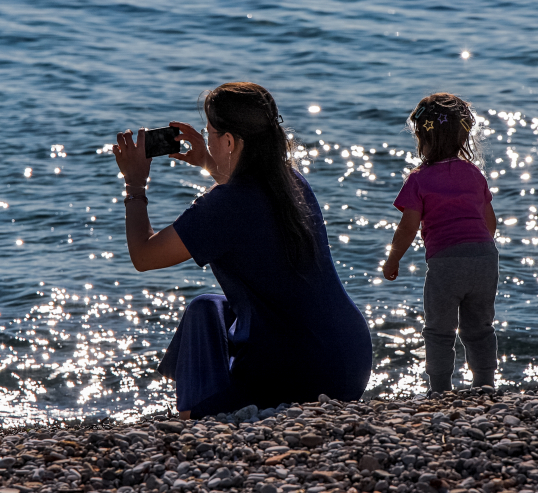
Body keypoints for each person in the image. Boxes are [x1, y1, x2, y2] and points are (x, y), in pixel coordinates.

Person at [112, 82, 372, 419]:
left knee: (202, 315)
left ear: (231, 141)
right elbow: (246, 203)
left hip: (305, 377)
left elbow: (144, 257)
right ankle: (203, 405)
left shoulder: (222, 207)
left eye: (210, 134)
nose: (207, 140)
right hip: (349, 362)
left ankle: (195, 415)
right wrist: (208, 160)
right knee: (208, 307)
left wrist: (134, 184)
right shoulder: (290, 181)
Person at [382, 93, 499, 392]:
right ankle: (485, 383)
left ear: (422, 137)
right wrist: (478, 250)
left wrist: (393, 259)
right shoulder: (474, 174)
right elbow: (490, 223)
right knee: (480, 328)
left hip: (446, 263)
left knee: (439, 330)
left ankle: (440, 388)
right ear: (464, 135)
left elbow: (408, 227)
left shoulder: (419, 179)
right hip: (485, 258)